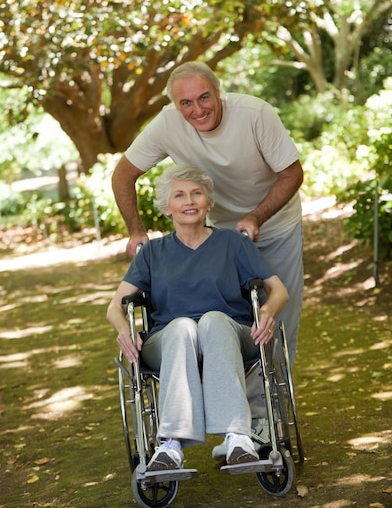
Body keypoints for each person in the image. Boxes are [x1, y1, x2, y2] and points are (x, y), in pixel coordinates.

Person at [111, 60, 303, 452]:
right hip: (217, 229)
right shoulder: (167, 125)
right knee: (197, 324)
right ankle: (190, 433)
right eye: (186, 103)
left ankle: (258, 423)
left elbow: (291, 173)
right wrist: (135, 230)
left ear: (219, 93)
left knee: (272, 319)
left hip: (272, 222)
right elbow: (123, 173)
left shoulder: (255, 114)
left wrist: (254, 218)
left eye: (204, 98)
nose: (197, 109)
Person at [107, 165, 289, 471]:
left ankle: (237, 437)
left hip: (231, 333)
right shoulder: (152, 252)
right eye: (179, 195)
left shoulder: (233, 243)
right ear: (167, 207)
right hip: (169, 341)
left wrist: (267, 312)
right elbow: (115, 306)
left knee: (213, 320)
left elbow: (279, 291)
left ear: (208, 202)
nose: (189, 201)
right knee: (182, 327)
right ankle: (171, 444)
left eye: (196, 193)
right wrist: (125, 330)